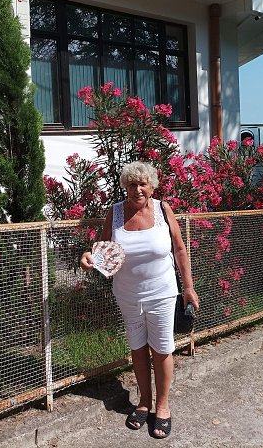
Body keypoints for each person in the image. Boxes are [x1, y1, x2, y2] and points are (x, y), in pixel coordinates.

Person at [80, 161, 199, 439]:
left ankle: (163, 406)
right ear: (125, 186)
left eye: (143, 184)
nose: (137, 190)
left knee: (162, 348)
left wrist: (189, 288)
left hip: (162, 293)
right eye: (132, 184)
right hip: (128, 295)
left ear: (152, 186)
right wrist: (88, 259)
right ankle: (144, 402)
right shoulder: (115, 212)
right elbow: (101, 251)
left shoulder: (162, 209)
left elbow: (180, 250)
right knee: (137, 347)